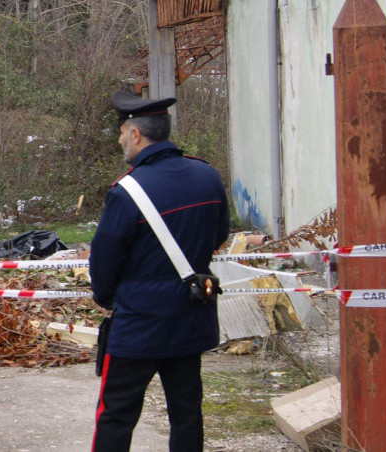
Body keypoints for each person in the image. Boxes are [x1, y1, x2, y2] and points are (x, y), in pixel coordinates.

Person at [89, 90, 230, 451]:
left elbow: (104, 262)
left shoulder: (127, 191)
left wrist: (107, 298)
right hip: (190, 316)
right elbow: (219, 235)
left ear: (135, 134)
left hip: (139, 324)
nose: (121, 141)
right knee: (186, 412)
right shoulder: (207, 176)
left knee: (116, 415)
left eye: (121, 133)